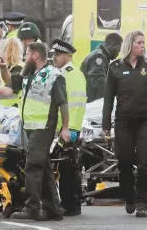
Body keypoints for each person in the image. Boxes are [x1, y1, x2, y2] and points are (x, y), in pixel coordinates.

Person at [0, 42, 70, 221]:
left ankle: (32, 208)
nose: (25, 57)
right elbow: (11, 86)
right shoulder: (29, 73)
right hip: (29, 126)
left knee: (33, 166)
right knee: (43, 167)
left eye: (27, 54)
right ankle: (53, 209)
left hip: (43, 126)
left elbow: (63, 103)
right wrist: (4, 68)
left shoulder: (53, 75)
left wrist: (65, 128)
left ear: (35, 55)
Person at [102, 30, 147, 218]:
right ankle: (128, 195)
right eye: (139, 42)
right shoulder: (115, 67)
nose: (142, 45)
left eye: (143, 42)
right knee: (124, 161)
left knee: (145, 161)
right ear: (130, 44)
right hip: (123, 120)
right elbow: (108, 98)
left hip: (146, 120)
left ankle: (142, 201)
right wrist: (106, 124)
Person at [50, 39, 87, 216]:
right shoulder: (61, 74)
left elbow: (76, 103)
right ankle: (70, 202)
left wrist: (70, 128)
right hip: (62, 127)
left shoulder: (72, 75)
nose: (55, 58)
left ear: (68, 56)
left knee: (68, 167)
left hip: (68, 128)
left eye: (58, 55)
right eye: (54, 55)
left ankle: (71, 204)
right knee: (65, 167)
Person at [80, 33, 123, 102]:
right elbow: (99, 81)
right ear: (112, 45)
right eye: (117, 51)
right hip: (91, 102)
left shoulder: (101, 55)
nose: (117, 54)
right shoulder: (99, 57)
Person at [0, 37, 24, 107]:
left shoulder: (18, 68)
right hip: (4, 109)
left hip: (13, 110)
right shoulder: (9, 67)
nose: (0, 54)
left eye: (2, 51)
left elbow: (9, 81)